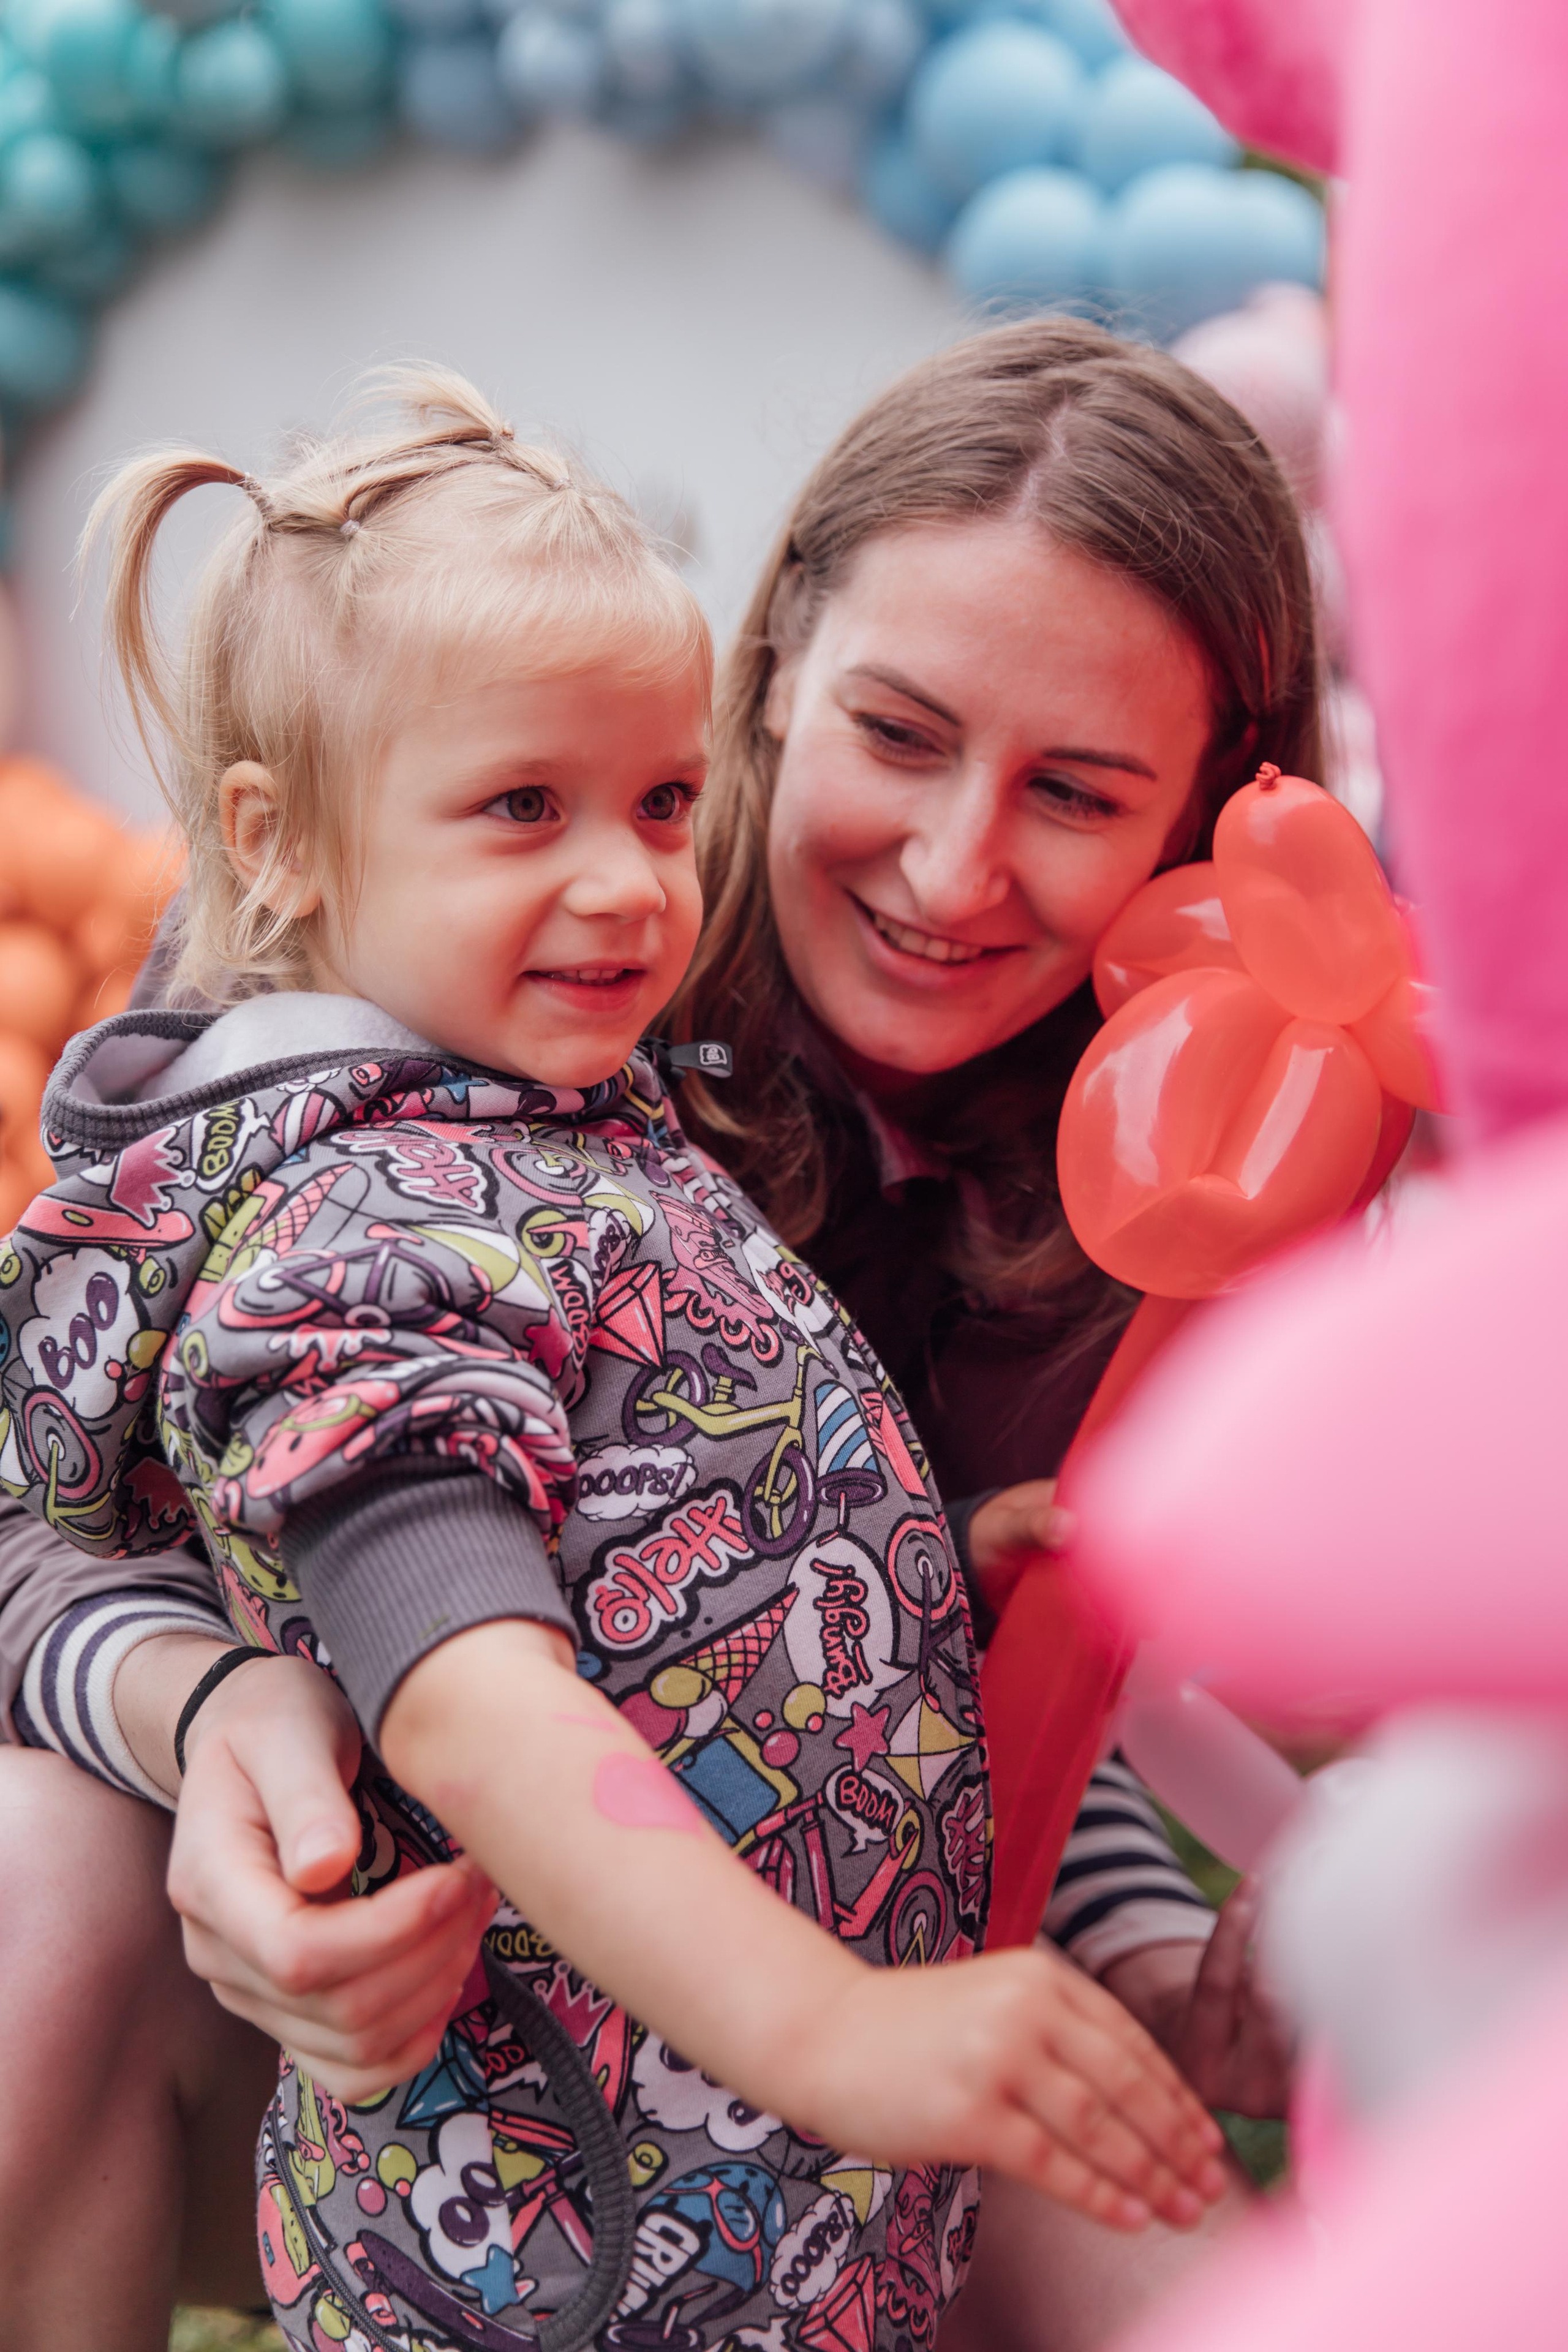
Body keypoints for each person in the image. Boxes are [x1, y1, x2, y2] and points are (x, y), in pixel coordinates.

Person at [0, 319, 1306, 2350]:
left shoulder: (1179, 1146)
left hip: (805, 2074)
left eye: (1076, 790)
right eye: (898, 731)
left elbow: (901, 1663)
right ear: (773, 658)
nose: (957, 866)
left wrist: (1128, 1942)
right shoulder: (383, 986)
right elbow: (91, 1513)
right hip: (417, 2003)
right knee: (36, 1877)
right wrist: (210, 1723)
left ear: (1209, 813)